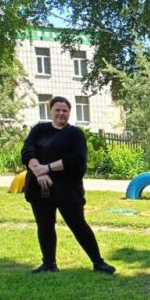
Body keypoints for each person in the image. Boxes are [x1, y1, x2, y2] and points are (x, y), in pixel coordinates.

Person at [21, 96, 116, 274]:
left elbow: (77, 159)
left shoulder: (75, 134)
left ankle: (98, 262)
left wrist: (46, 168)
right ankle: (49, 263)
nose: (61, 113)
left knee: (78, 224)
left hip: (67, 190)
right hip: (40, 188)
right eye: (57, 109)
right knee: (44, 225)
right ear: (51, 110)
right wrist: (38, 172)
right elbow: (27, 151)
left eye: (65, 110)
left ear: (69, 113)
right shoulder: (39, 129)